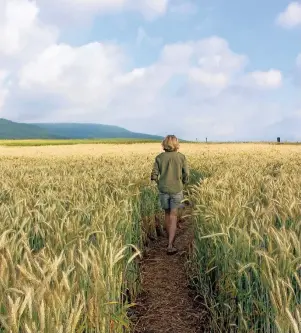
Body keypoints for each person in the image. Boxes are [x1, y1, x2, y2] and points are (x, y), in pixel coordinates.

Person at [151, 135, 189, 255]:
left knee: (167, 214)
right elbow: (186, 174)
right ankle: (170, 245)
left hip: (163, 190)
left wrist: (160, 183)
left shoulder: (159, 158)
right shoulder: (181, 157)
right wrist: (182, 183)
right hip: (176, 189)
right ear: (176, 144)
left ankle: (169, 240)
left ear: (164, 143)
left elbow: (154, 175)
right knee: (173, 215)